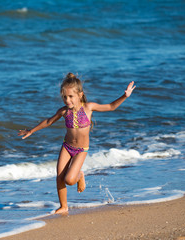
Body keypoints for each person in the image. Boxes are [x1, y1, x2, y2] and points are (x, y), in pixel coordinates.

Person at [18, 73, 136, 214]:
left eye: (70, 96)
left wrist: (125, 96)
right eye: (64, 97)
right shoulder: (64, 111)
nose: (67, 100)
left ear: (80, 95)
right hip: (67, 147)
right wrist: (31, 131)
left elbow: (111, 106)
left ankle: (80, 175)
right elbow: (49, 121)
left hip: (81, 149)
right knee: (60, 177)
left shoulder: (89, 107)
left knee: (69, 180)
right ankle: (64, 206)